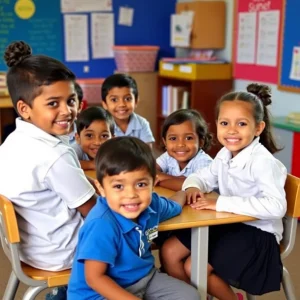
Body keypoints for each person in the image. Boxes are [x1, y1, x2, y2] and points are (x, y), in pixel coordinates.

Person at [161, 83, 287, 300]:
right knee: (169, 251)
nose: (231, 131)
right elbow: (203, 176)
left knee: (194, 266)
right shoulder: (225, 154)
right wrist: (193, 185)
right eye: (225, 123)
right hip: (231, 223)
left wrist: (220, 203)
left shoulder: (263, 162)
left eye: (241, 124)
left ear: (258, 128)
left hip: (258, 234)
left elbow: (276, 207)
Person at [0, 40, 98, 291]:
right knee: (139, 228)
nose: (67, 111)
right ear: (25, 108)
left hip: (29, 249)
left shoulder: (11, 142)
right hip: (63, 253)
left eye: (72, 100)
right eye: (53, 103)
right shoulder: (53, 155)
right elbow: (94, 211)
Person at [67, 137, 200, 300]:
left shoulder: (153, 204)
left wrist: (184, 192)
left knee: (190, 296)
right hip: (98, 293)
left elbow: (175, 204)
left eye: (141, 184)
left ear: (153, 183)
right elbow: (95, 278)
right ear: (101, 188)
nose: (131, 195)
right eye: (118, 186)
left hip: (144, 278)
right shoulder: (101, 224)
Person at [156, 109, 213, 191]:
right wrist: (177, 180)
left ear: (201, 142)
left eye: (188, 138)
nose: (180, 144)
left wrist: (160, 179)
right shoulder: (169, 156)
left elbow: (193, 186)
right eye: (173, 138)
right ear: (165, 142)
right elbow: (149, 171)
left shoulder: (204, 162)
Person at [101, 73, 155, 147]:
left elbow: (147, 153)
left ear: (136, 101)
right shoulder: (101, 126)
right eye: (114, 99)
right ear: (105, 104)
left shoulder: (142, 124)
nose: (122, 104)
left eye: (127, 99)